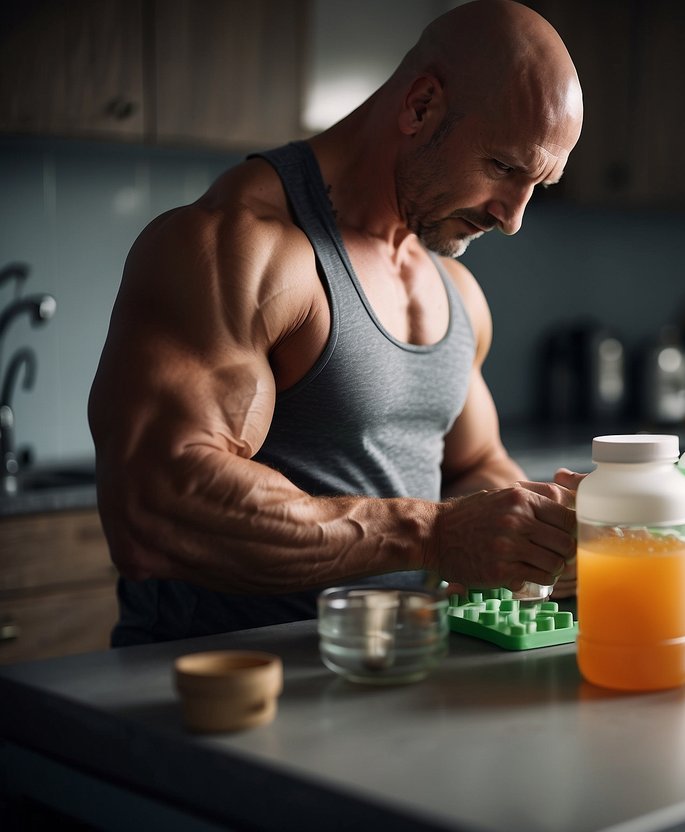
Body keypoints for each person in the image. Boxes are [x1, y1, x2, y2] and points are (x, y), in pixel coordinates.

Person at [88, 0, 585, 646]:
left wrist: (540, 531)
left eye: (537, 185)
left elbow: (472, 465)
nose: (514, 217)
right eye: (503, 169)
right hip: (224, 691)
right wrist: (433, 535)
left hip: (394, 672)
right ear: (421, 106)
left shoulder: (452, 287)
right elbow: (154, 508)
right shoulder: (237, 245)